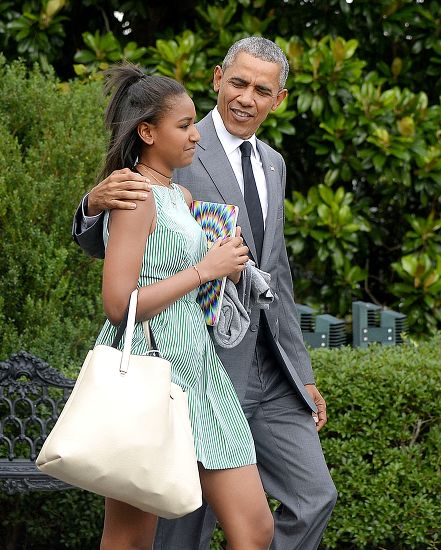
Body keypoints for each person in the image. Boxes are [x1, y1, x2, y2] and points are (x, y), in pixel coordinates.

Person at [73, 37, 337, 550]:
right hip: (179, 360)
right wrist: (90, 202)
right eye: (238, 83)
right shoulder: (175, 145)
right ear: (218, 78)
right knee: (172, 525)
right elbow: (114, 238)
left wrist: (301, 373)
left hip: (265, 368)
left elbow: (276, 275)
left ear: (278, 99)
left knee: (311, 499)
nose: (246, 97)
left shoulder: (273, 163)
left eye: (262, 90)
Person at [91, 64, 275, 550]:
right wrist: (204, 270)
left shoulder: (181, 195)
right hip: (153, 367)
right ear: (147, 132)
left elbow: (188, 269)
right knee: (130, 538)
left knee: (255, 527)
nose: (196, 134)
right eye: (184, 125)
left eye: (195, 122)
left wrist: (227, 264)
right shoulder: (134, 194)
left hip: (199, 364)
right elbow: (118, 304)